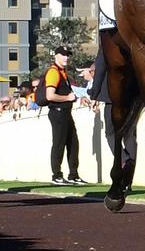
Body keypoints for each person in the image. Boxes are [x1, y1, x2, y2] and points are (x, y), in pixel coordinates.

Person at [88, 44, 137, 180]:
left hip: (111, 94)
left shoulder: (107, 43)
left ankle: (124, 160)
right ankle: (128, 177)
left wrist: (94, 95)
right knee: (130, 135)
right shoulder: (131, 39)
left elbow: (100, 68)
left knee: (110, 133)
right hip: (132, 93)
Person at [44, 46, 87, 186]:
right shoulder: (53, 72)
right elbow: (50, 95)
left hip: (65, 112)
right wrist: (67, 98)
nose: (66, 58)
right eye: (63, 55)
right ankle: (56, 175)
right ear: (56, 55)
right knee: (59, 143)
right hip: (57, 112)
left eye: (67, 55)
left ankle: (73, 175)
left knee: (73, 143)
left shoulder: (63, 72)